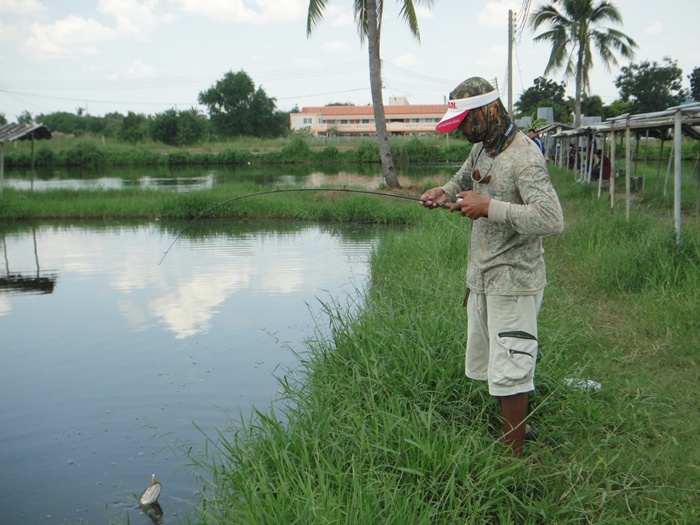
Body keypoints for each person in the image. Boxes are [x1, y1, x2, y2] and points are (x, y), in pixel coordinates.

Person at [421, 77, 564, 458]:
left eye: (466, 122)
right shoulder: (484, 148)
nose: (463, 131)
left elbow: (552, 219)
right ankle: (520, 427)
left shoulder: (524, 156)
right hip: (483, 276)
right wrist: (445, 192)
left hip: (514, 281)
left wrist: (488, 208)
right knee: (501, 362)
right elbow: (465, 178)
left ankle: (512, 462)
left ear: (486, 113)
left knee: (512, 369)